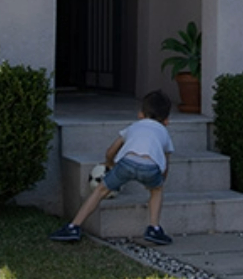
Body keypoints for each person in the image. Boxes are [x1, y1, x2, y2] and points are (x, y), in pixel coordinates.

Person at [49, 91, 177, 245]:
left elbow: (111, 150)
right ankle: (154, 228)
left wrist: (109, 163)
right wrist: (161, 179)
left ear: (140, 114)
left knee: (100, 190)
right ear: (166, 121)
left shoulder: (132, 127)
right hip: (150, 167)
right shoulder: (164, 132)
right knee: (156, 191)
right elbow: (165, 161)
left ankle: (73, 226)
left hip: (126, 163)